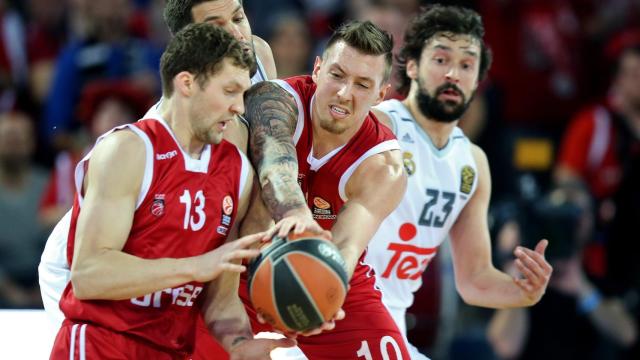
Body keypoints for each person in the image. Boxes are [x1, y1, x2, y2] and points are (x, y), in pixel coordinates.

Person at [49, 23, 296, 359]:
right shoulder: (129, 149)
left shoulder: (237, 171)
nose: (240, 107)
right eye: (229, 91)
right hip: (102, 342)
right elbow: (89, 275)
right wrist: (195, 266)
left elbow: (220, 298)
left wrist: (240, 344)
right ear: (187, 83)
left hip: (171, 350)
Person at [358, 5, 553, 359]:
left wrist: (523, 292)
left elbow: (474, 279)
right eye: (441, 59)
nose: (453, 73)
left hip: (390, 331)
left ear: (478, 80)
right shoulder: (380, 124)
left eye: (466, 65)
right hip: (333, 316)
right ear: (413, 65)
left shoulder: (473, 163)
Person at [240, 20, 410, 359]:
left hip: (322, 268)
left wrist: (323, 294)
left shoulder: (384, 167)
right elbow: (275, 162)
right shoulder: (275, 100)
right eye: (337, 75)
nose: (345, 93)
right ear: (317, 69)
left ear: (381, 94)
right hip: (240, 269)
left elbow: (346, 247)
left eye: (362, 84)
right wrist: (297, 212)